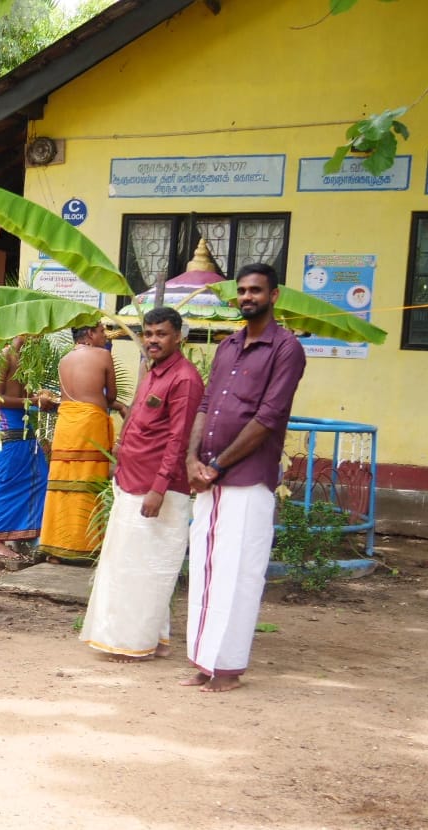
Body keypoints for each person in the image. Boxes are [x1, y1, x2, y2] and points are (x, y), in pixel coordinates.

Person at [184, 263, 306, 692]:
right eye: (242, 290)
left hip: (248, 478)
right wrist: (192, 459)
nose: (247, 297)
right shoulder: (228, 346)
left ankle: (229, 668)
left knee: (238, 574)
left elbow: (269, 417)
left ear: (274, 296)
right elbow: (205, 406)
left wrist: (218, 465)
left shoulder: (286, 348)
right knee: (205, 569)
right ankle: (203, 662)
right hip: (208, 477)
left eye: (255, 290)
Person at [81, 307, 204, 661]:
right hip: (130, 483)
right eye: (148, 334)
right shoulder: (153, 372)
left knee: (145, 571)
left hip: (156, 493)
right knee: (127, 566)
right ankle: (150, 639)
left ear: (178, 336)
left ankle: (133, 643)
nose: (152, 340)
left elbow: (179, 439)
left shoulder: (185, 379)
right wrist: (121, 451)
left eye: (161, 334)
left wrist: (158, 489)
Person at [37, 323, 116, 563]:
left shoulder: (64, 360)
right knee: (90, 481)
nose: (105, 335)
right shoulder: (103, 355)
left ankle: (57, 547)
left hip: (66, 424)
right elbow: (111, 396)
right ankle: (87, 547)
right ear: (90, 333)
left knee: (62, 484)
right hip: (90, 423)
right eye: (101, 331)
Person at [0, 336, 49, 561]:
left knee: (40, 475)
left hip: (22, 425)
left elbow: (22, 394)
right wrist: (32, 402)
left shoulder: (27, 357)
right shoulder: (5, 355)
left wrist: (38, 400)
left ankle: (27, 533)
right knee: (7, 481)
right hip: (6, 425)